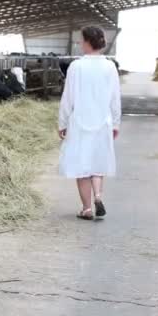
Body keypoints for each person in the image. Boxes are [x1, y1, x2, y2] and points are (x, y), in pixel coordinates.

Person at [58, 26, 122, 220]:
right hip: (103, 121)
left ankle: (86, 208)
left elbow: (67, 98)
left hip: (80, 122)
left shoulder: (76, 67)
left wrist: (62, 122)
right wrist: (116, 123)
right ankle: (99, 196)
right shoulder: (110, 66)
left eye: (80, 40)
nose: (79, 43)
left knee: (82, 164)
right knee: (97, 161)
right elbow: (115, 98)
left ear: (87, 42)